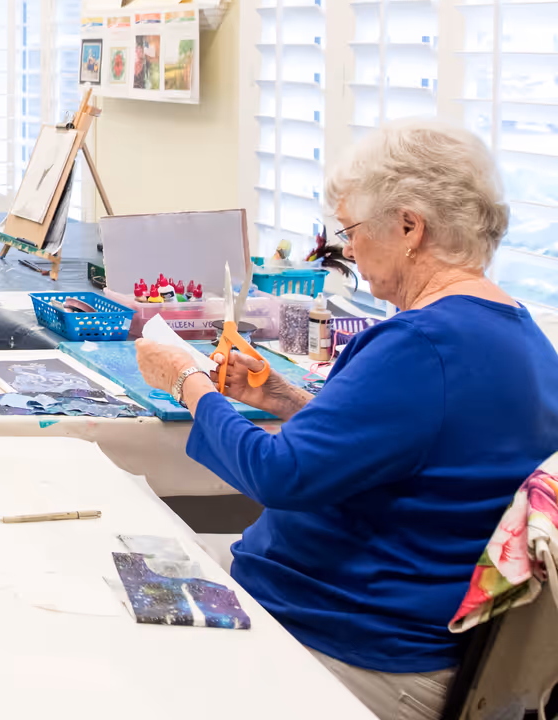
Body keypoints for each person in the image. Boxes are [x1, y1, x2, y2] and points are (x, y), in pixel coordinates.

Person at [137, 120, 558, 720]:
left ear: (410, 227)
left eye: (353, 231)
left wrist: (186, 379)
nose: (348, 250)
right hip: (423, 640)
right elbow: (421, 458)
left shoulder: (419, 345)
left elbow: (279, 475)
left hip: (358, 644)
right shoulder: (523, 338)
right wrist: (287, 400)